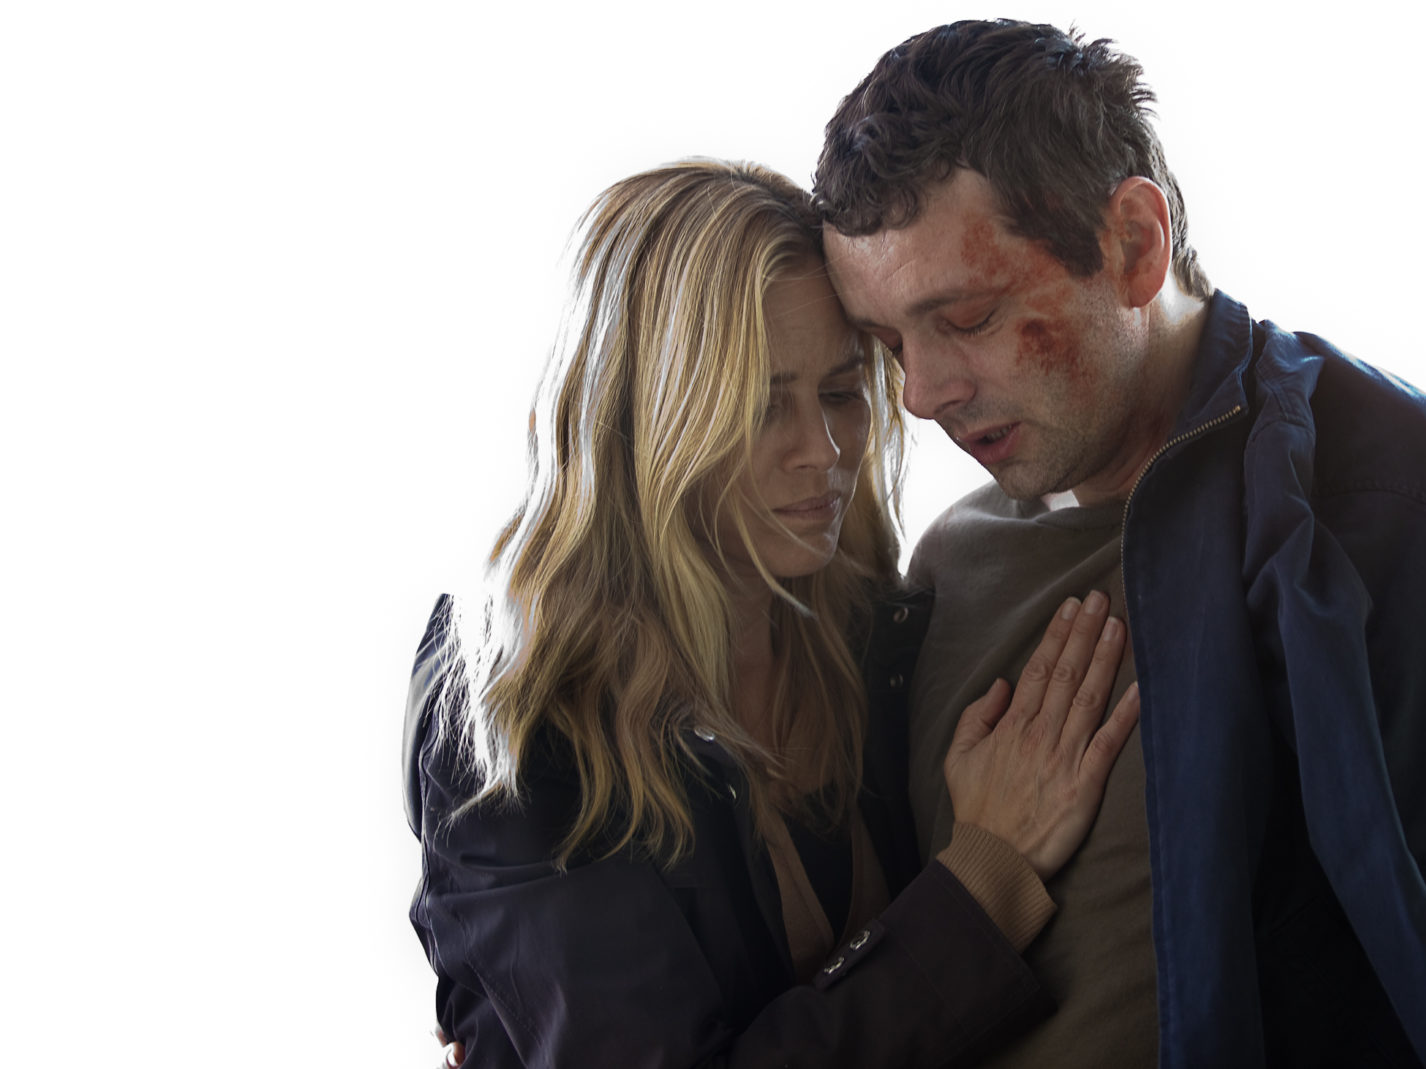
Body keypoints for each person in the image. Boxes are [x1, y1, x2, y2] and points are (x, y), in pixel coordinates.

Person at [813, 18, 1426, 1069]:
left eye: (966, 318)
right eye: (887, 344)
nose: (920, 393)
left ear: (1134, 245)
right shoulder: (947, 563)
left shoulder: (1394, 495)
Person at [403, 159, 1144, 1067]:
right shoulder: (519, 702)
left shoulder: (874, 630)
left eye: (840, 392)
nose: (823, 450)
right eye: (761, 407)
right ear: (645, 419)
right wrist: (979, 880)